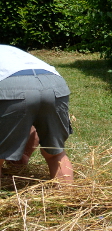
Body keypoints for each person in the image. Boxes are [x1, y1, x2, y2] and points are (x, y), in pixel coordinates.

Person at [0, 45, 74, 184]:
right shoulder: (9, 50)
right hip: (54, 83)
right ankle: (69, 200)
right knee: (55, 153)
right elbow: (30, 119)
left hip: (11, 86)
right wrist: (24, 154)